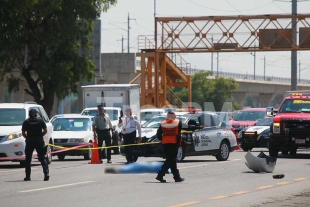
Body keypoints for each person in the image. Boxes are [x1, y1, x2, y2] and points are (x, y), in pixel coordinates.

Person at [156, 111, 185, 183]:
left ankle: (177, 177)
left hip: (165, 144)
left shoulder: (163, 123)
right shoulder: (178, 122)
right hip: (174, 143)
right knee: (170, 160)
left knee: (172, 160)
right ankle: (160, 174)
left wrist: (162, 139)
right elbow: (179, 134)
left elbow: (158, 135)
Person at [22, 109, 49, 181]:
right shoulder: (40, 121)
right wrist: (40, 136)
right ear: (36, 114)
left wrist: (28, 138)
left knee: (28, 159)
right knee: (42, 158)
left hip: (30, 141)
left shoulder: (26, 122)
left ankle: (28, 176)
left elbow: (23, 133)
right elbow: (45, 130)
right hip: (39, 141)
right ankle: (46, 174)